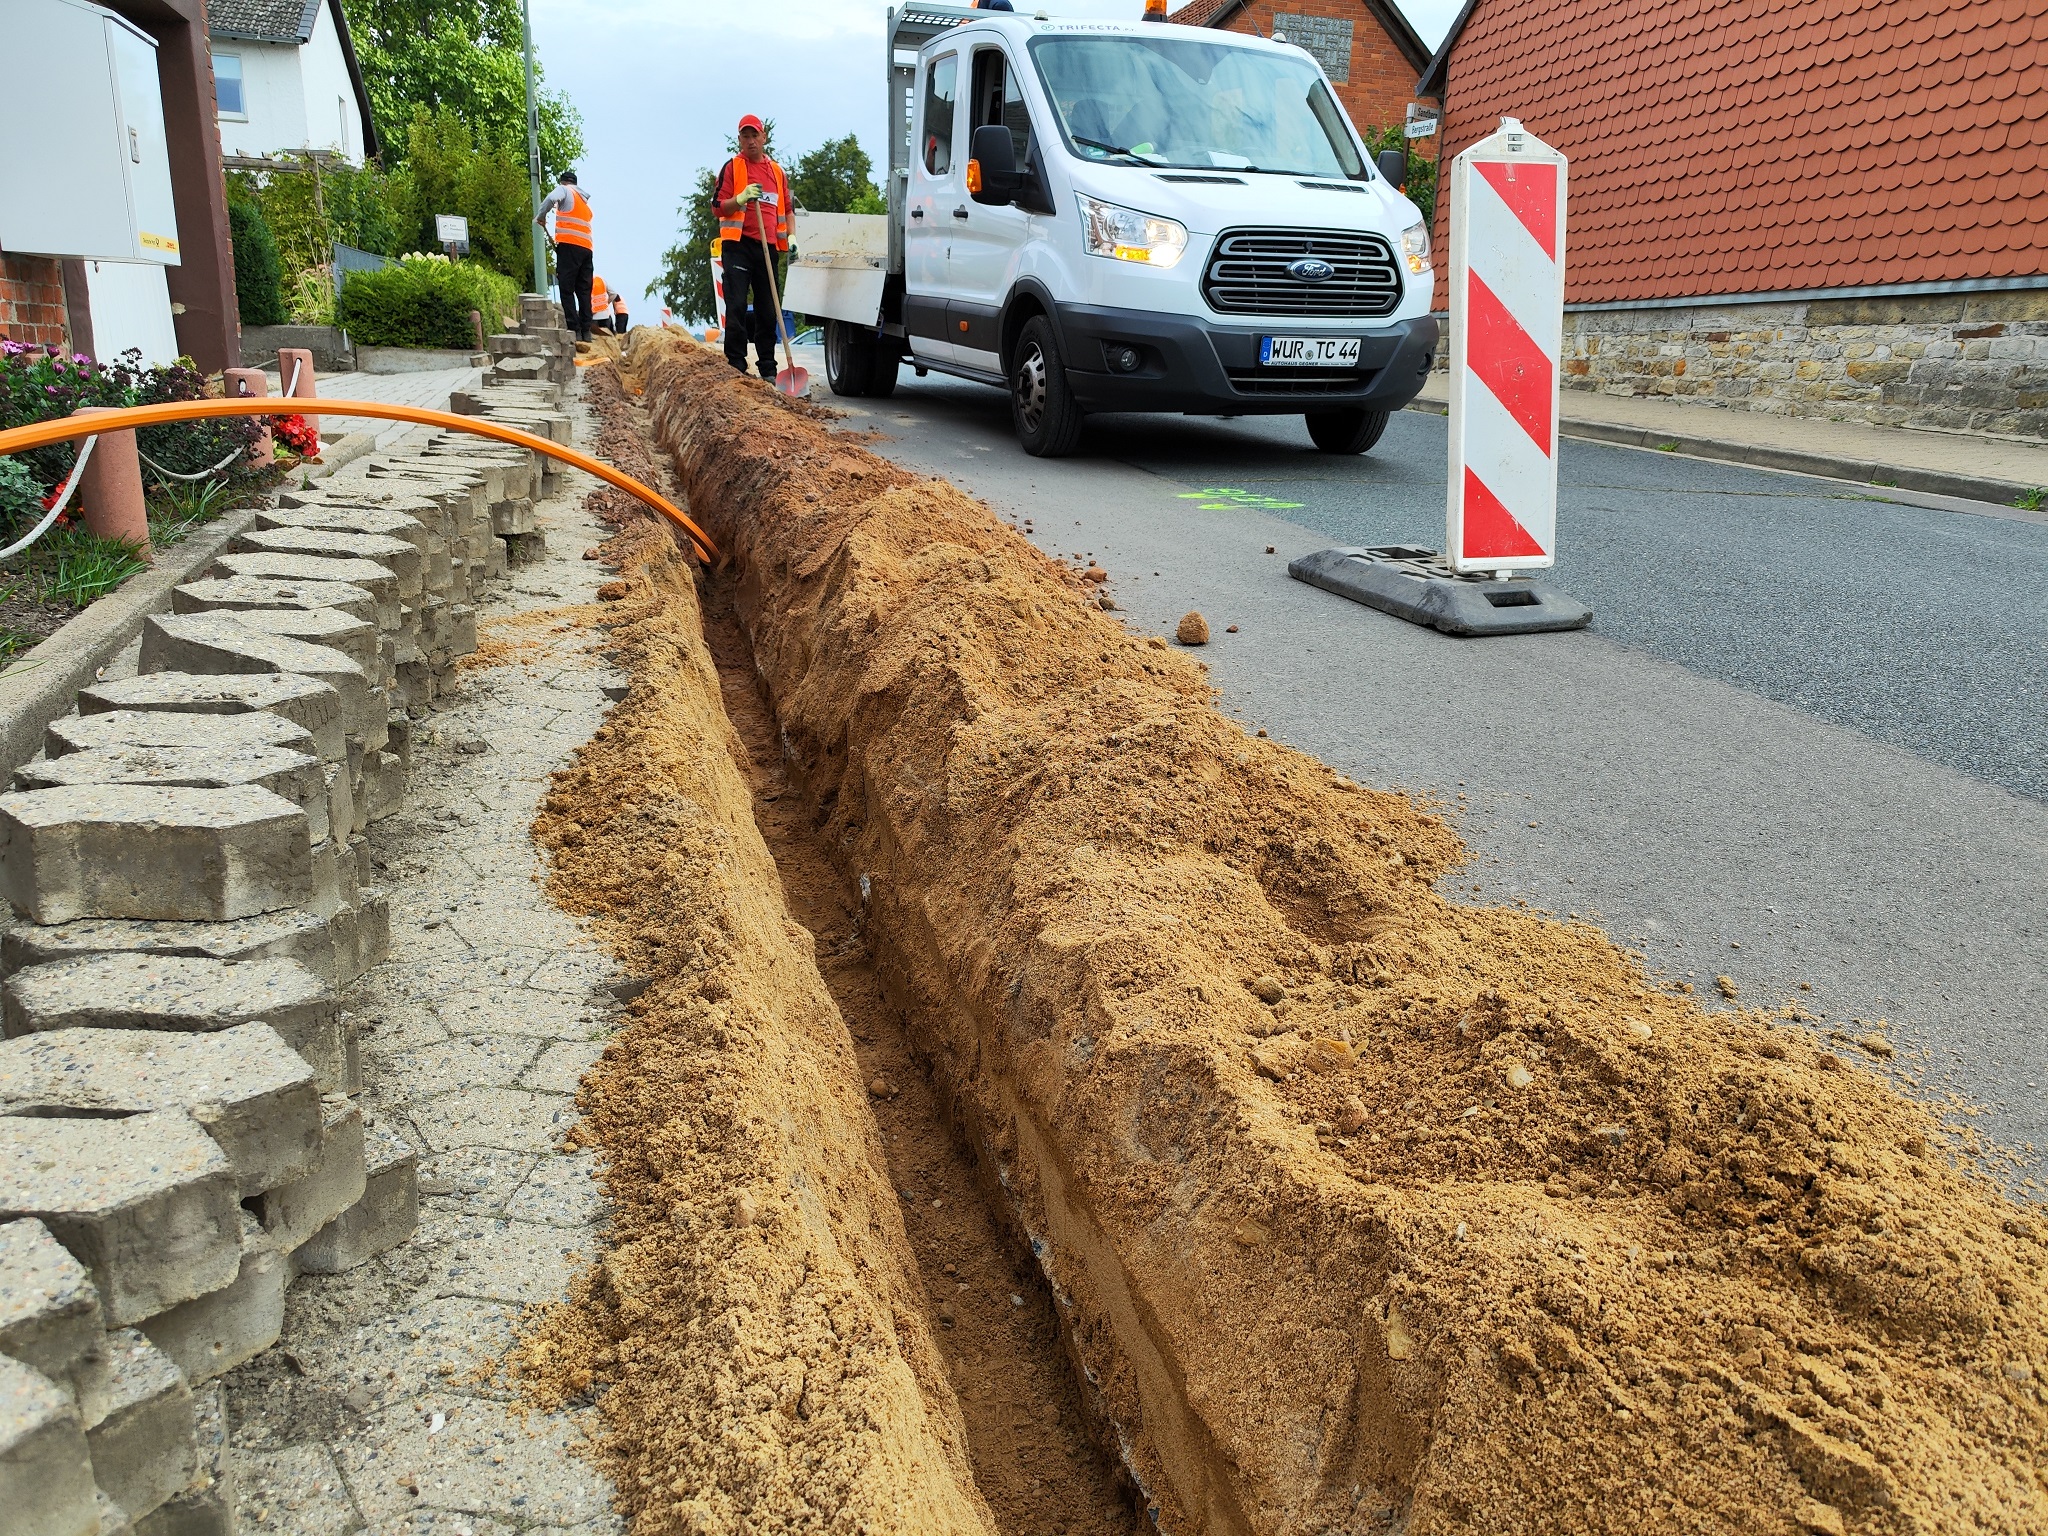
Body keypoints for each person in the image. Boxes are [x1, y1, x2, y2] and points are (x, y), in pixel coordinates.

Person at [712, 114, 791, 380]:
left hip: (767, 248)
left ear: (763, 137)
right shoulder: (732, 168)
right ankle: (736, 363)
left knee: (768, 309)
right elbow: (717, 207)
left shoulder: (777, 172)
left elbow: (787, 209)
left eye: (754, 135)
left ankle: (768, 367)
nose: (751, 141)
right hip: (738, 246)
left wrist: (791, 237)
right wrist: (741, 198)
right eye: (745, 136)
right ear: (739, 140)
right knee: (735, 305)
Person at [535, 171, 596, 341]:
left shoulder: (565, 190)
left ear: (563, 182)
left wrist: (541, 216)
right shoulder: (584, 203)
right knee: (584, 291)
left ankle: (574, 329)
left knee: (566, 288)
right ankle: (586, 331)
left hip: (569, 246)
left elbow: (550, 198)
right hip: (586, 249)